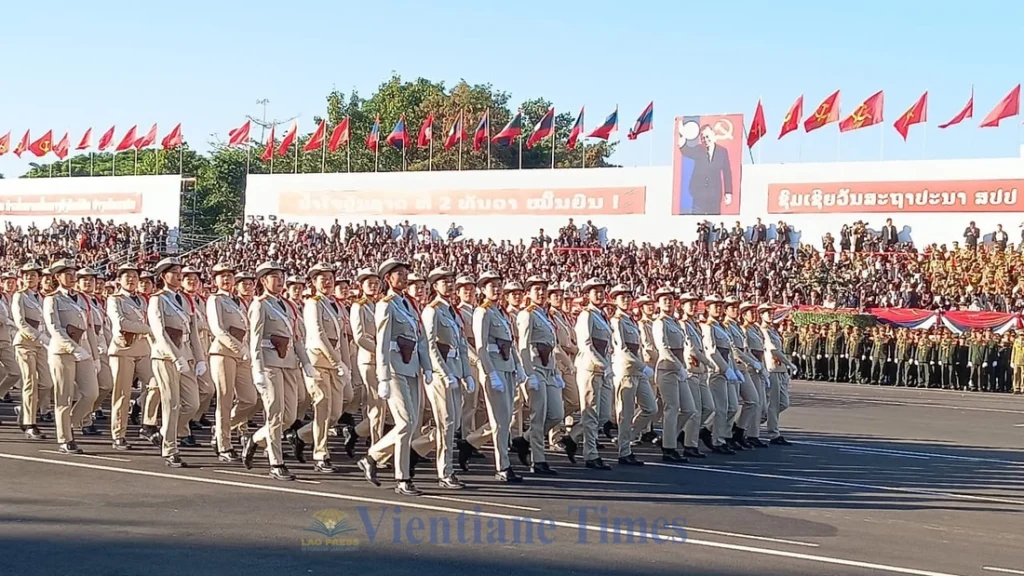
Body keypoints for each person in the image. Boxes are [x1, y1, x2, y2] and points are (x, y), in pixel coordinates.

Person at [357, 259, 433, 496]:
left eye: (404, 273)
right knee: (405, 423)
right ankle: (402, 477)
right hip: (394, 369)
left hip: (412, 369)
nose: (402, 277)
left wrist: (427, 367)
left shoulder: (409, 305)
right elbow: (382, 343)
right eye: (397, 274)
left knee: (411, 424)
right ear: (388, 279)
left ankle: (372, 457)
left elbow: (420, 340)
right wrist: (383, 377)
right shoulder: (386, 305)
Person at [242, 261, 297, 481]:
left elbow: (296, 338)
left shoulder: (287, 304)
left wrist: (306, 363)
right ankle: (276, 462)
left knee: (290, 415)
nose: (279, 280)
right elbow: (254, 339)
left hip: (289, 362)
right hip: (269, 363)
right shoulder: (260, 305)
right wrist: (257, 369)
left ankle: (255, 439)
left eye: (281, 276)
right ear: (263, 281)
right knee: (274, 414)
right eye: (274, 276)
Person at [422, 267, 473, 488]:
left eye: (451, 281)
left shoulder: (452, 311)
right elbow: (430, 345)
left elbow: (461, 345)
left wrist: (466, 373)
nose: (450, 285)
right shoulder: (432, 311)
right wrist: (444, 373)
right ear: (435, 287)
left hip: (454, 368)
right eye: (444, 282)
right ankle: (445, 472)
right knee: (446, 423)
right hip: (441, 372)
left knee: (453, 423)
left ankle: (416, 450)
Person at [473, 270, 526, 482]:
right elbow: (481, 347)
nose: (496, 289)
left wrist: (518, 367)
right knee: (499, 421)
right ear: (483, 290)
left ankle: (504, 462)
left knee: (507, 419)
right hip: (494, 369)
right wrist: (490, 373)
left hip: (507, 368)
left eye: (498, 285)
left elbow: (510, 344)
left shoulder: (501, 313)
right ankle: (502, 466)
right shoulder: (482, 312)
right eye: (491, 286)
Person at [148, 257, 201, 467]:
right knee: (171, 403)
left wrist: (199, 358)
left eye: (180, 271)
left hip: (185, 354)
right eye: (174, 272)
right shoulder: (158, 299)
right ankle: (170, 449)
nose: (180, 275)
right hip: (165, 356)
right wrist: (176, 357)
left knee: (193, 403)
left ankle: (164, 432)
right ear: (164, 276)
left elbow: (194, 332)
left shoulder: (186, 299)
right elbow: (159, 332)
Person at [298, 263, 350, 473]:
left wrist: (345, 364)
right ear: (314, 282)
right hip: (318, 361)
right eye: (322, 278)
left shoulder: (335, 305)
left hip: (335, 363)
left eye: (330, 278)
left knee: (335, 412)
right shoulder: (313, 303)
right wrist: (337, 361)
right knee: (322, 408)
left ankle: (300, 436)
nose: (327, 282)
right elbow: (318, 336)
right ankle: (320, 454)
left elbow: (343, 337)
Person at [44, 259, 100, 455]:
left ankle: (71, 424)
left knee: (91, 393)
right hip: (62, 352)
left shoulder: (83, 299)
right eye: (66, 273)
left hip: (83, 350)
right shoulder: (52, 299)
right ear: (57, 277)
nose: (71, 276)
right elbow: (54, 328)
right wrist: (73, 347)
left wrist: (95, 356)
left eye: (72, 273)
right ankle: (65, 438)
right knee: (64, 397)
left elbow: (90, 329)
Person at [206, 262, 257, 463]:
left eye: (229, 276)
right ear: (215, 280)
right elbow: (218, 329)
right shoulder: (215, 300)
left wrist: (249, 351)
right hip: (223, 353)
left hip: (242, 354)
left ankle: (221, 428)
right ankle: (224, 445)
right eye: (221, 276)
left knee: (250, 399)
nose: (226, 279)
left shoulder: (240, 302)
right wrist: (240, 349)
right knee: (224, 400)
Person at [516, 275, 565, 475]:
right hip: (535, 368)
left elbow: (552, 345)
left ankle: (525, 440)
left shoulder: (545, 314)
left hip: (549, 369)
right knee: (539, 415)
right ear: (528, 292)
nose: (541, 292)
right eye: (536, 289)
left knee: (556, 414)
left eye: (544, 289)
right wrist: (528, 373)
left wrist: (555, 371)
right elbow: (523, 346)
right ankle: (539, 460)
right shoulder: (527, 314)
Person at [105, 263, 154, 450]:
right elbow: (121, 323)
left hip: (143, 349)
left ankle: (147, 424)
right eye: (127, 276)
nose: (132, 280)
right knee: (122, 394)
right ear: (120, 280)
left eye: (134, 276)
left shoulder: (142, 300)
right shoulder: (115, 299)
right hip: (123, 349)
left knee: (157, 384)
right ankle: (119, 434)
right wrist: (148, 330)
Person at [608, 283, 653, 466]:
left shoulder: (630, 320)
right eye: (622, 297)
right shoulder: (616, 321)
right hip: (626, 370)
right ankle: (624, 451)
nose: (626, 299)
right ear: (615, 300)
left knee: (651, 408)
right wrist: (643, 366)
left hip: (638, 371)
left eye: (628, 296)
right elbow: (622, 350)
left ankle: (625, 439)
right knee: (625, 413)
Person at [574, 278, 614, 470]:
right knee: (590, 413)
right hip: (590, 368)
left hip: (604, 369)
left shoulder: (601, 315)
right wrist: (602, 364)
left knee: (603, 414)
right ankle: (591, 454)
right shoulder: (586, 315)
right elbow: (586, 345)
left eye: (601, 291)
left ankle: (572, 438)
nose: (599, 294)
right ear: (587, 295)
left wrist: (608, 366)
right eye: (594, 291)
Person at [651, 287, 694, 462]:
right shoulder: (659, 322)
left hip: (679, 371)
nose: (667, 302)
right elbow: (663, 348)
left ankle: (668, 438)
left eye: (670, 299)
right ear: (658, 304)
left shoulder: (674, 323)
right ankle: (669, 448)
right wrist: (679, 366)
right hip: (667, 370)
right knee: (672, 409)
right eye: (664, 299)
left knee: (689, 409)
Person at [11, 261, 51, 440]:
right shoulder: (19, 296)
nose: (30, 278)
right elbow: (20, 322)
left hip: (42, 344)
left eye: (33, 275)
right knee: (30, 382)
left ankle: (27, 409)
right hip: (26, 342)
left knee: (47, 383)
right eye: (27, 275)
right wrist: (40, 337)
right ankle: (29, 423)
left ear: (39, 278)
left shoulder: (42, 297)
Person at [678, 291, 713, 459]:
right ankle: (689, 444)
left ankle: (684, 435)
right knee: (696, 410)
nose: (692, 306)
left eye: (694, 303)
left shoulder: (695, 324)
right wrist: (708, 362)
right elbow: (691, 348)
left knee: (708, 407)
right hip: (691, 370)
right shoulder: (683, 324)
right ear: (682, 306)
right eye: (688, 303)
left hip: (700, 371)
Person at [701, 295, 736, 455]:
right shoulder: (708, 327)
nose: (718, 309)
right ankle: (718, 440)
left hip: (726, 371)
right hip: (716, 371)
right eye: (715, 306)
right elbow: (712, 351)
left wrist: (732, 368)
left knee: (731, 408)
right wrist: (725, 368)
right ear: (708, 308)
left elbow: (728, 352)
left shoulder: (721, 327)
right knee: (721, 409)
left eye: (720, 306)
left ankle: (709, 431)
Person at [760, 303, 795, 445]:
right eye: (767, 313)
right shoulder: (763, 331)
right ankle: (774, 433)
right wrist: (789, 363)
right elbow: (773, 350)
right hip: (772, 369)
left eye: (772, 312)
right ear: (761, 315)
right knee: (774, 404)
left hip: (780, 370)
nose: (770, 315)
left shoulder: (773, 330)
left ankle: (748, 423)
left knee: (783, 403)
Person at [679, 123, 733, 215]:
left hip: (714, 196)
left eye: (707, 136)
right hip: (699, 196)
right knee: (697, 222)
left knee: (712, 224)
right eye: (703, 137)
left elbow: (727, 173)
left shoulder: (722, 152)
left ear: (713, 135)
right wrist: (682, 136)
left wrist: (728, 192)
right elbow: (686, 151)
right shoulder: (698, 150)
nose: (705, 140)